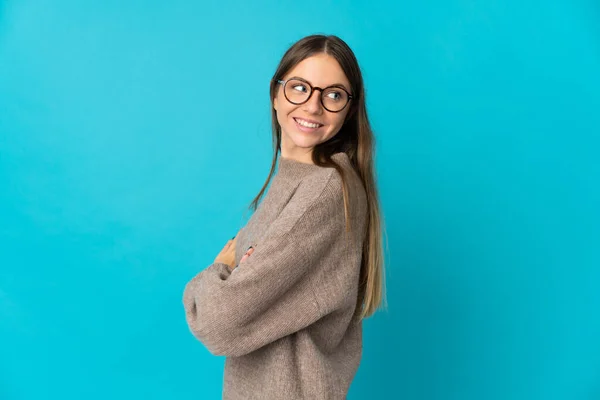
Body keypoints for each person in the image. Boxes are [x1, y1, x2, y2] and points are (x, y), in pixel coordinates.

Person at [182, 34, 386, 400]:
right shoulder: (299, 179)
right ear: (276, 94)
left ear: (349, 109)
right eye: (299, 88)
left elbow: (218, 322)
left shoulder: (322, 192)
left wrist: (219, 270)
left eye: (333, 94)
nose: (313, 106)